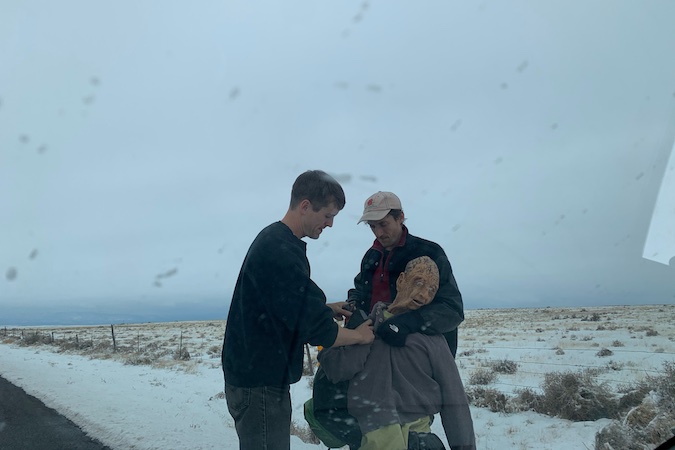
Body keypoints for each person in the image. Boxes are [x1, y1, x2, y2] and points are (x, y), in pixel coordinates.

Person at [221, 170, 375, 450]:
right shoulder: (280, 251)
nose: (329, 225)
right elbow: (317, 330)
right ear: (305, 206)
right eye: (327, 216)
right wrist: (361, 337)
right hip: (260, 384)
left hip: (254, 378)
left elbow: (284, 304)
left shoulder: (275, 241)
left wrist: (325, 308)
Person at [318, 256, 476, 450]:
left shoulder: (433, 340)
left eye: (431, 290)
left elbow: (454, 399)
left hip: (418, 437)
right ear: (401, 280)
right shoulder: (366, 327)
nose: (424, 295)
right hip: (371, 434)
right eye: (419, 282)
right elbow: (337, 370)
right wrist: (360, 337)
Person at [347, 191, 464, 356]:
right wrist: (355, 308)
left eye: (383, 224)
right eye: (372, 226)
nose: (378, 233)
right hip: (375, 351)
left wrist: (410, 322)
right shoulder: (371, 256)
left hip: (419, 356)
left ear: (400, 217)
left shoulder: (429, 253)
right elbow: (360, 291)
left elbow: (452, 310)